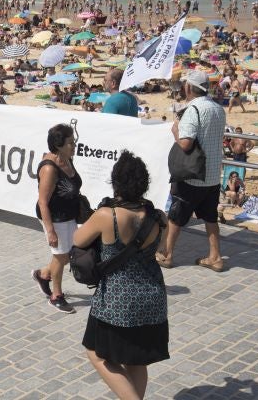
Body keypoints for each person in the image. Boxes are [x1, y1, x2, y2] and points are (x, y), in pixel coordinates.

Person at [74, 151, 168, 400]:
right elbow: (164, 251)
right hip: (152, 300)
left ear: (116, 183)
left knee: (96, 354)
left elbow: (77, 240)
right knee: (136, 362)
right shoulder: (159, 217)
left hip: (116, 303)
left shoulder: (108, 215)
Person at [156, 70, 227, 271]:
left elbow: (186, 144)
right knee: (210, 217)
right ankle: (215, 256)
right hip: (212, 174)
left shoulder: (193, 110)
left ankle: (167, 254)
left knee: (176, 215)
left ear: (188, 87)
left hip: (192, 174)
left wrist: (176, 132)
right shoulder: (218, 108)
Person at [32, 123, 81, 314]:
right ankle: (56, 296)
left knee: (67, 255)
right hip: (54, 217)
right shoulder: (49, 168)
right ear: (58, 145)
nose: (74, 146)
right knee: (61, 257)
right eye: (70, 143)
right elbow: (43, 202)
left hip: (69, 215)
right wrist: (50, 230)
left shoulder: (68, 159)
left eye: (74, 142)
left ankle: (43, 274)